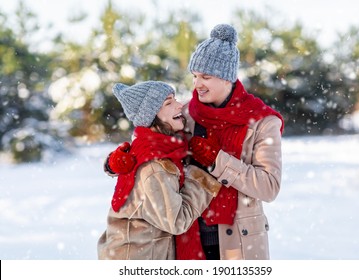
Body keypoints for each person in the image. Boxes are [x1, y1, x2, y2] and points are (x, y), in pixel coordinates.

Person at [177, 23, 285, 260]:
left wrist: (218, 161)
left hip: (238, 243)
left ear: (228, 78)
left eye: (206, 76)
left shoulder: (262, 122)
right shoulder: (184, 115)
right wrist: (119, 163)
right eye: (194, 76)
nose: (197, 84)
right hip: (187, 239)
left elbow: (268, 187)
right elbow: (152, 151)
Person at [97, 81, 221, 260]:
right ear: (151, 116)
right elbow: (177, 221)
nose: (179, 105)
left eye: (175, 99)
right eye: (168, 103)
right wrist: (201, 175)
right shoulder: (155, 166)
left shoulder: (150, 146)